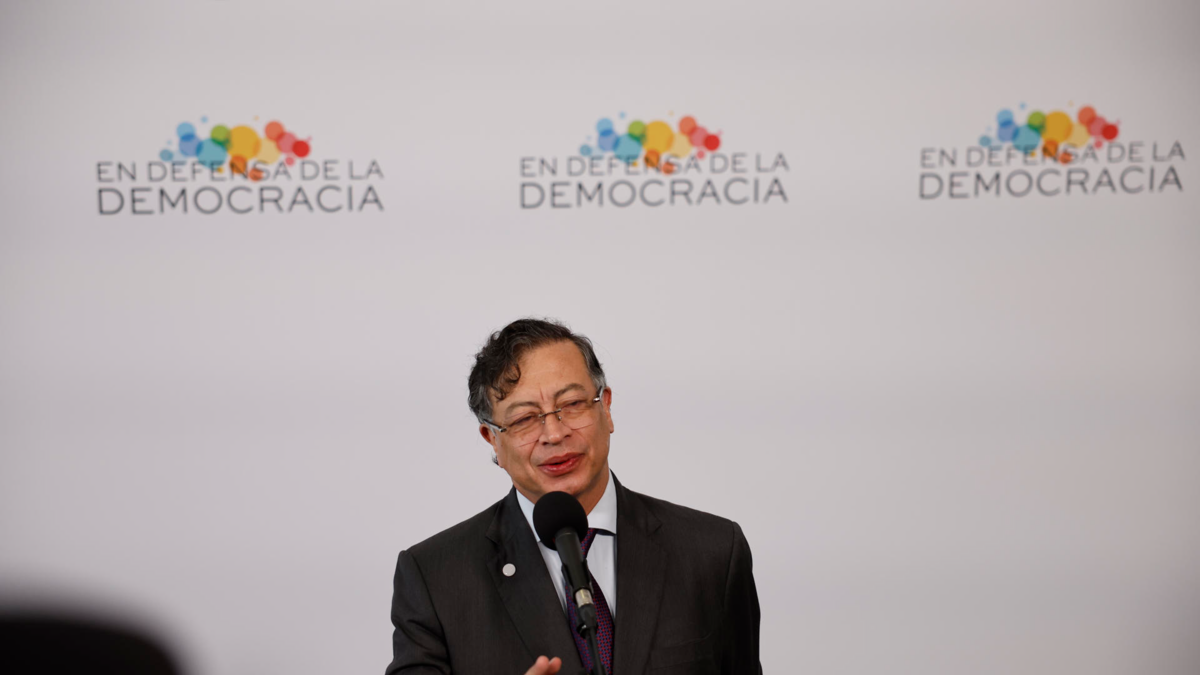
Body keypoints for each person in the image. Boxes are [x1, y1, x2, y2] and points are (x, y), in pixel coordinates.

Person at [387, 318, 761, 675]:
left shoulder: (712, 552)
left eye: (572, 405)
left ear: (606, 408)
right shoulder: (434, 578)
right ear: (493, 440)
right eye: (523, 419)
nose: (554, 434)